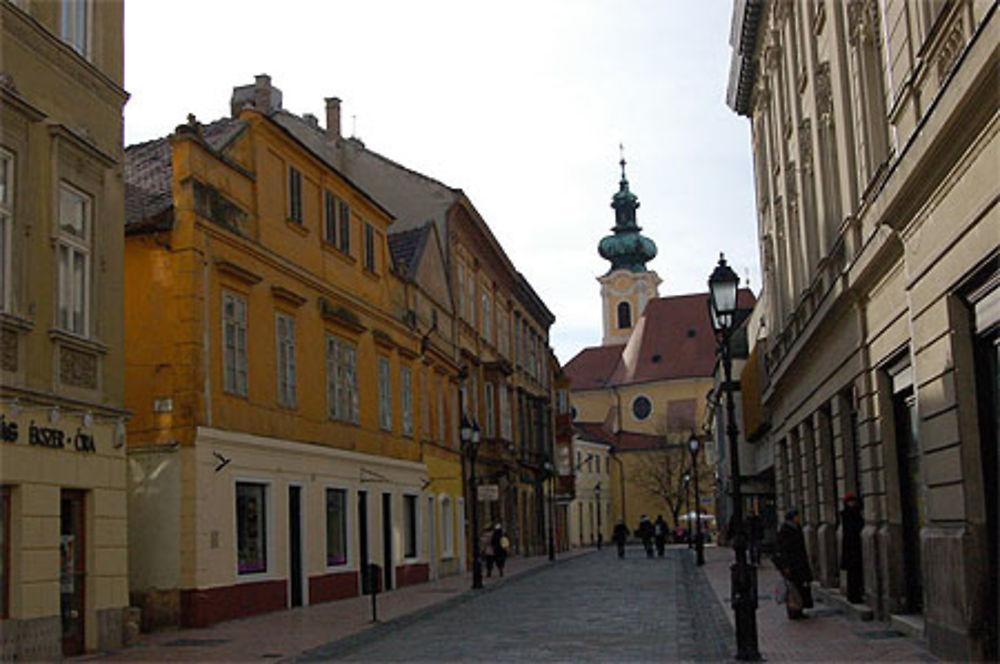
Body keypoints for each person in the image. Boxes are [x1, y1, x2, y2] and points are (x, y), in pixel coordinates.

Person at [774, 509, 813, 619]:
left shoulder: (797, 528)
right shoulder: (785, 530)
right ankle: (793, 611)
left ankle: (799, 609)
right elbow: (782, 549)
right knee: (792, 588)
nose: (798, 518)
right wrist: (785, 566)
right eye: (796, 516)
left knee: (801, 587)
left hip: (800, 562)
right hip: (791, 564)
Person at [840, 494, 865, 604]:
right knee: (853, 574)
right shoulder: (848, 515)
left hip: (853, 549)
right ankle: (854, 595)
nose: (853, 503)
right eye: (850, 501)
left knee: (855, 573)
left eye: (853, 501)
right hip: (851, 549)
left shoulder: (852, 513)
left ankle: (855, 594)